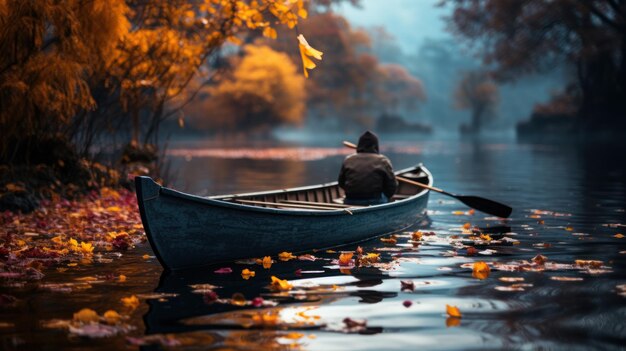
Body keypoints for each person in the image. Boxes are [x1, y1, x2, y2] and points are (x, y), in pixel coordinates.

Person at [338, 131, 397, 205]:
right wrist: (387, 197)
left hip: (351, 200)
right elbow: (392, 186)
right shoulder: (383, 160)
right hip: (375, 200)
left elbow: (341, 182)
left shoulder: (348, 159)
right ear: (376, 145)